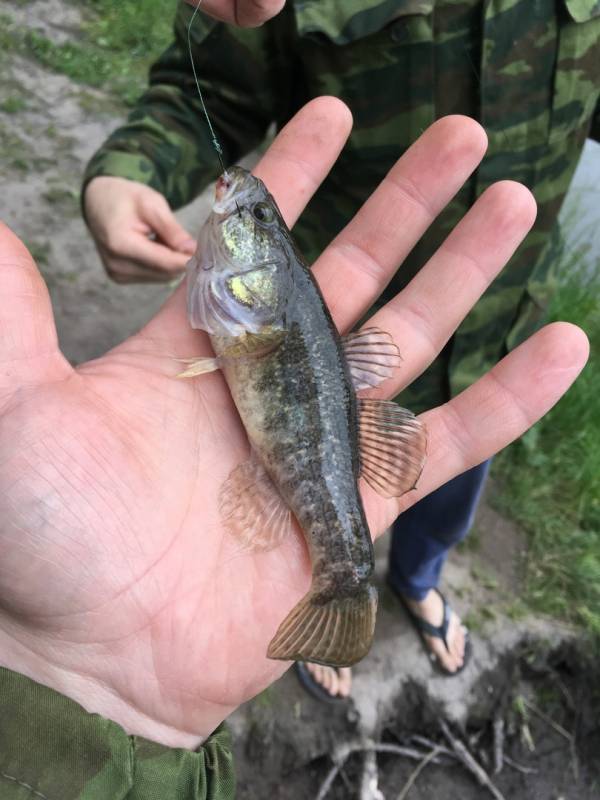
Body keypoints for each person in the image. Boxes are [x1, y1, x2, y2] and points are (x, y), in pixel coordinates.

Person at [0, 99, 590, 797]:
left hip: (471, 347)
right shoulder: (248, 301)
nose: (240, 215)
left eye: (253, 226)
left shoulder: (254, 304)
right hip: (314, 407)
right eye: (257, 224)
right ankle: (378, 589)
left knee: (449, 483)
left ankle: (388, 583)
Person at [82, 0, 600, 695]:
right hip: (350, 309)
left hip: (495, 342)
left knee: (449, 490)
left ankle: (415, 581)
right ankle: (315, 602)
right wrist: (130, 168)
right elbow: (207, 88)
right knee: (346, 508)